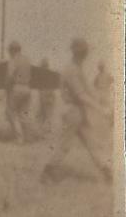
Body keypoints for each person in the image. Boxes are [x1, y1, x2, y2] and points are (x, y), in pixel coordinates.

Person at [41, 38, 112, 183]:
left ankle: (107, 172)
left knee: (92, 142)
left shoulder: (77, 68)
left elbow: (88, 90)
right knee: (64, 144)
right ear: (80, 53)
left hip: (79, 111)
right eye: (84, 52)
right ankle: (47, 172)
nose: (86, 55)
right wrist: (100, 108)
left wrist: (102, 103)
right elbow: (81, 95)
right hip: (72, 110)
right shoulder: (71, 70)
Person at [5, 41, 33, 144]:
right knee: (24, 114)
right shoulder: (27, 60)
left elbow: (9, 76)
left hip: (17, 88)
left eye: (9, 51)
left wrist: (7, 87)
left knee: (11, 113)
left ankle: (19, 139)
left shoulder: (13, 60)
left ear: (12, 50)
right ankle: (29, 138)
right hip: (27, 88)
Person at [36, 58, 56, 136]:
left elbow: (39, 86)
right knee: (48, 113)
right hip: (50, 94)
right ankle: (47, 129)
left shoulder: (41, 74)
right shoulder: (51, 73)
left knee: (43, 113)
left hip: (44, 94)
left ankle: (43, 129)